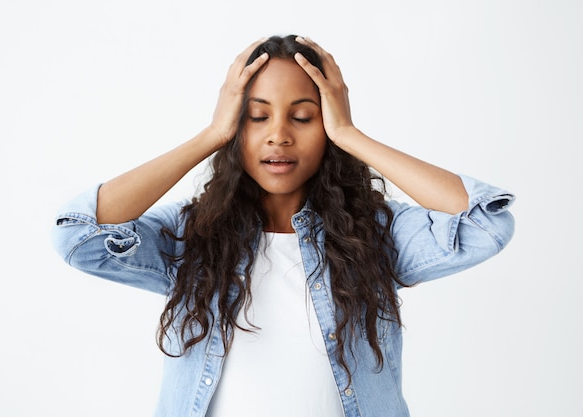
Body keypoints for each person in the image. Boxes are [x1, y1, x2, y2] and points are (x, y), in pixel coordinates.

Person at [52, 35, 515, 417]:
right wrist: (211, 135)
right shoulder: (192, 236)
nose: (279, 134)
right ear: (237, 126)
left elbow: (484, 224)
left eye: (303, 116)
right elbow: (77, 235)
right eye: (256, 117)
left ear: (327, 124)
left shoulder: (374, 233)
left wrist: (351, 136)